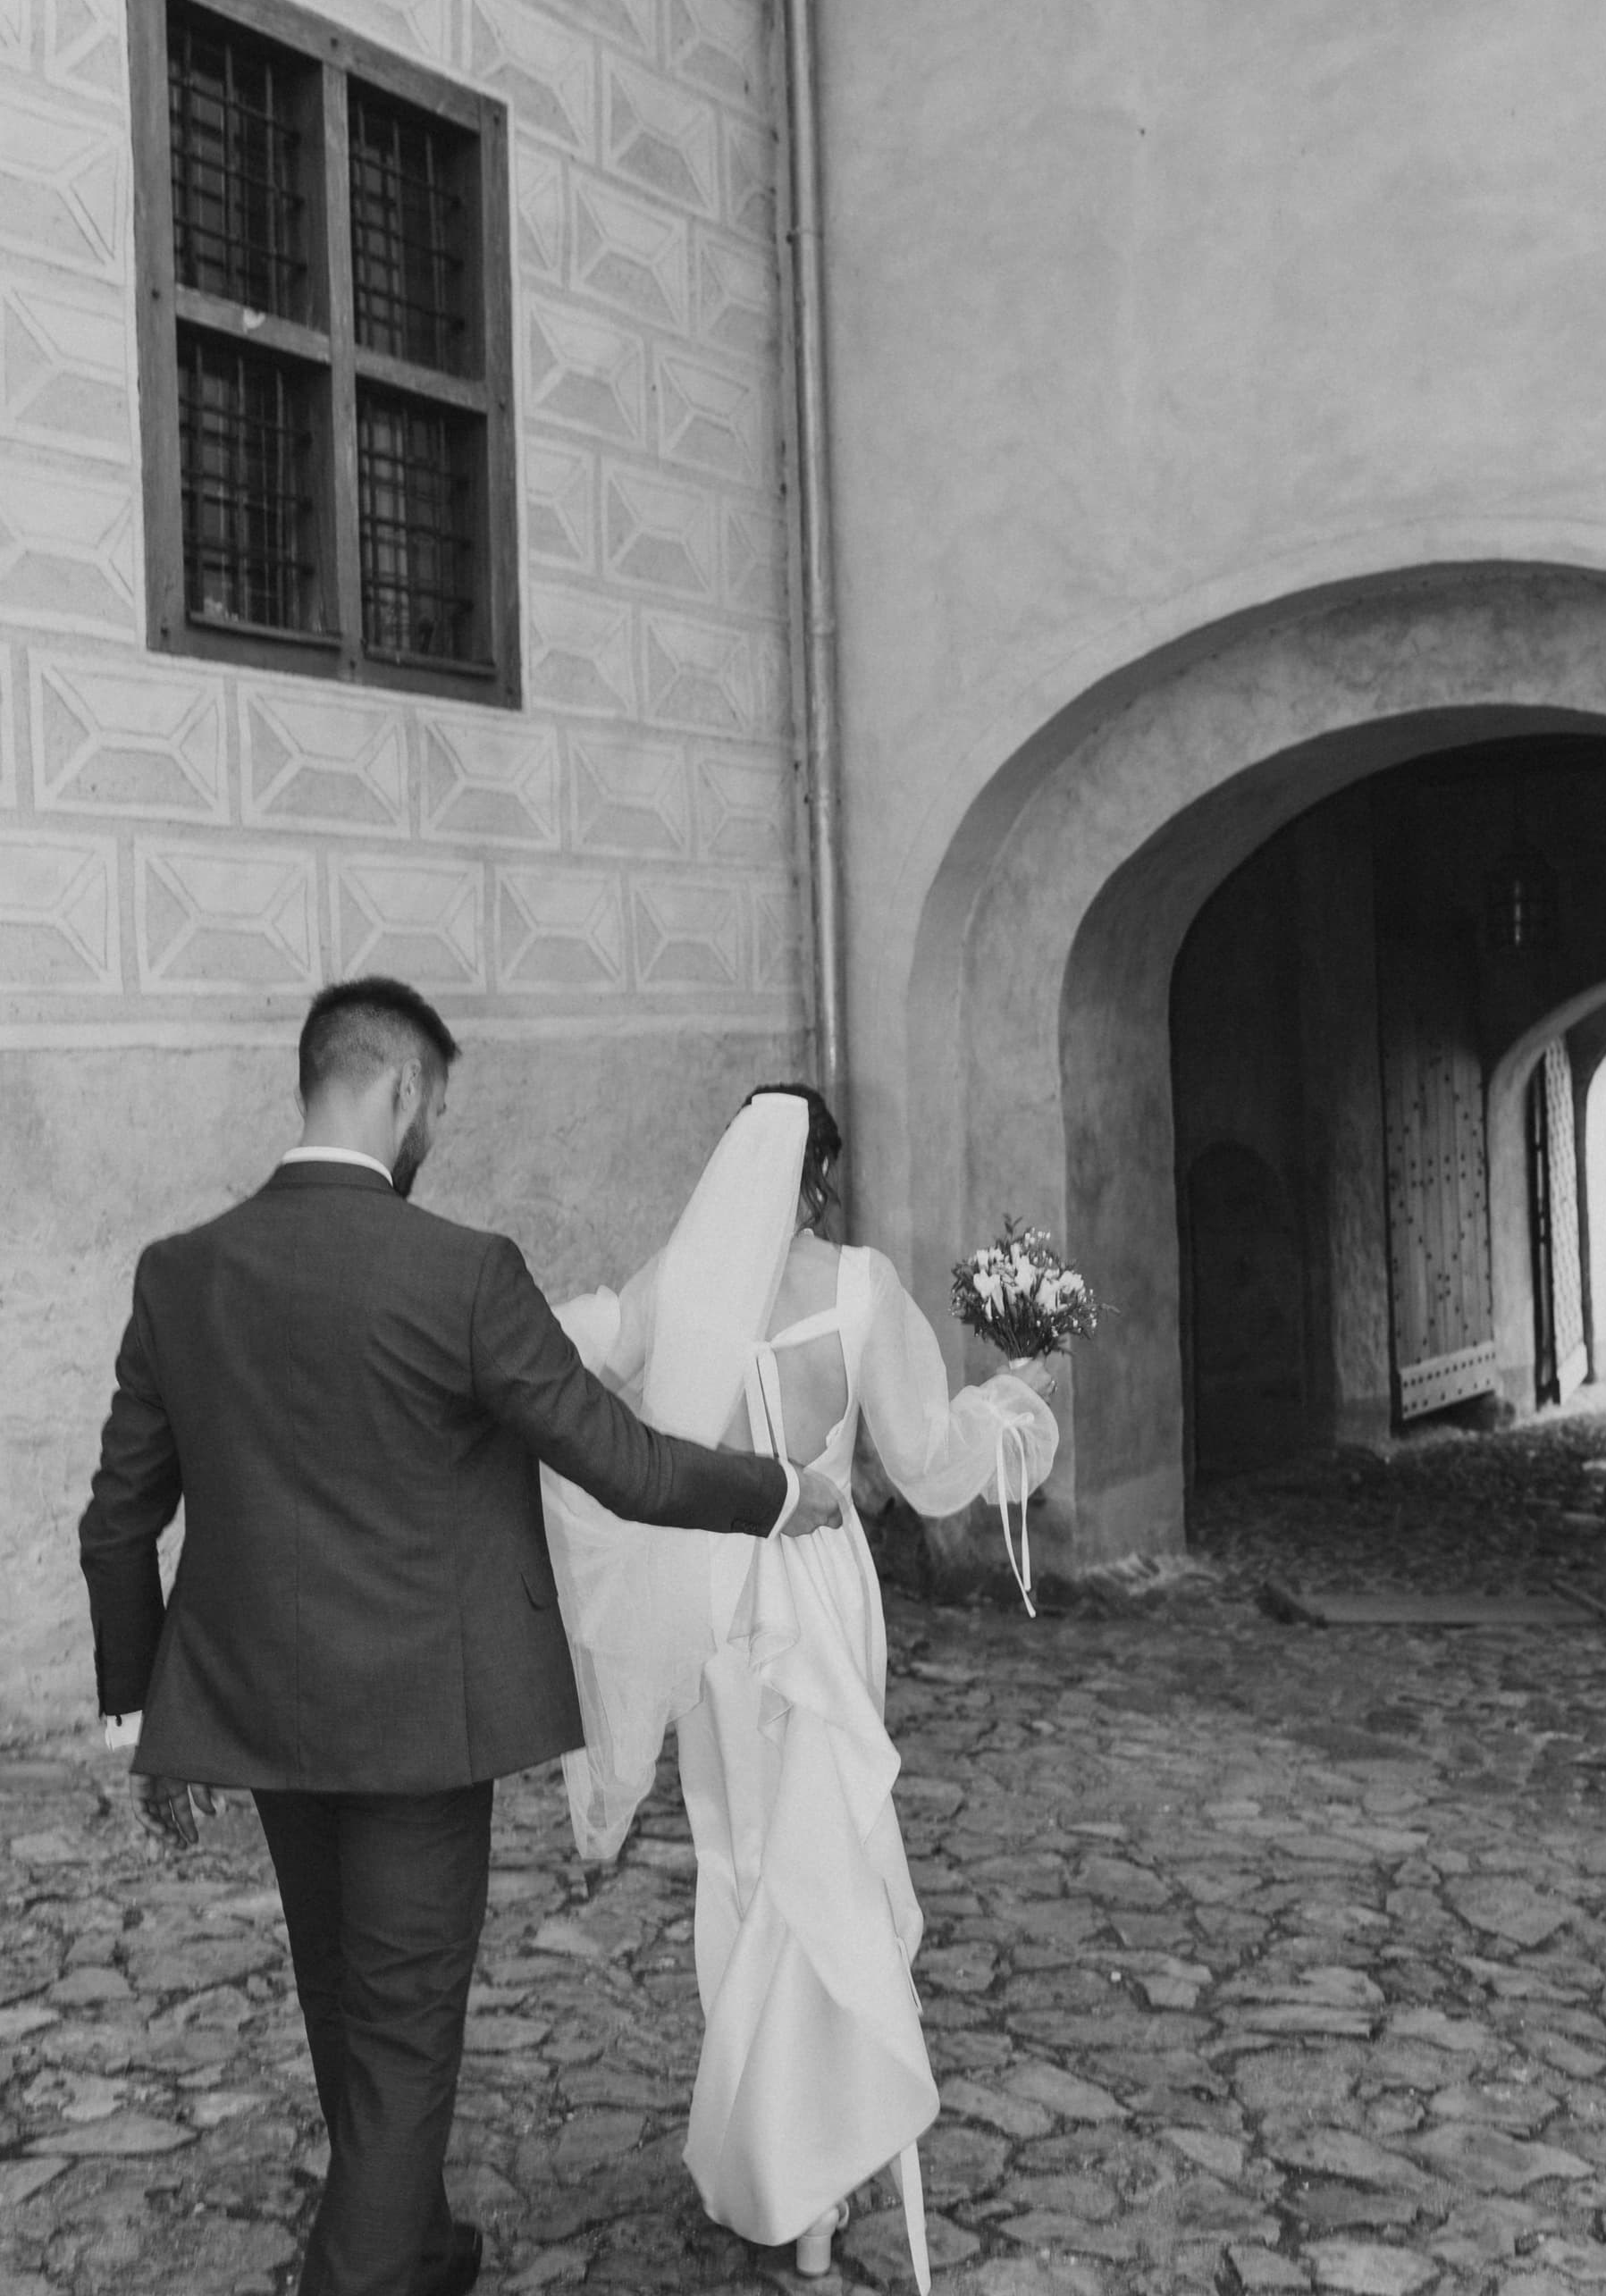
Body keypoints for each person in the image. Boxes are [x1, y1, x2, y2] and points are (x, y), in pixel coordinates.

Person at [77, 980, 840, 2296]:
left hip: (262, 1715)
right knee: (402, 2033)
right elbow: (623, 1464)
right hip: (423, 1724)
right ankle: (373, 2267)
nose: (433, 1131)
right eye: (435, 1106)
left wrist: (139, 1716)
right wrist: (780, 1493)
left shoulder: (181, 1272)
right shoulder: (464, 1272)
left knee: (343, 2002)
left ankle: (419, 2245)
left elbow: (116, 1521)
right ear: (402, 1090)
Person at [542, 1083, 1058, 2289]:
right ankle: (813, 2187)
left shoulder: (682, 1281)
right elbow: (924, 1460)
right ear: (821, 1177)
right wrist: (1016, 1397)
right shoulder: (860, 1287)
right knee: (823, 1854)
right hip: (821, 1593)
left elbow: (571, 1353)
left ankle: (764, 2164)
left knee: (739, 1856)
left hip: (716, 1598)